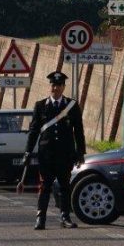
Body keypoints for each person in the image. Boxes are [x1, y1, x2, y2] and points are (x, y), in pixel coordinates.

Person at [17, 71, 86, 230]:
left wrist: (80, 152)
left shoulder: (72, 106)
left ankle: (65, 217)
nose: (55, 88)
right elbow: (34, 131)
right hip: (46, 155)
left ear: (63, 87)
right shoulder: (40, 106)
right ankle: (40, 218)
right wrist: (27, 152)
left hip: (65, 154)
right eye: (53, 85)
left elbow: (79, 131)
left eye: (58, 85)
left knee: (64, 186)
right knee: (44, 186)